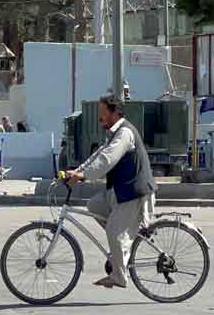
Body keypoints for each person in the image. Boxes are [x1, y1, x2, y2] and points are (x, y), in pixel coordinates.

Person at [66, 95, 157, 289]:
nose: (100, 118)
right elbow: (97, 155)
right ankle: (122, 246)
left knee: (115, 233)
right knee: (94, 205)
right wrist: (77, 171)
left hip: (133, 192)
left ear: (115, 113)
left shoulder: (124, 133)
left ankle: (119, 276)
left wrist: (84, 176)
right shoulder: (113, 134)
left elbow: (107, 159)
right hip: (118, 192)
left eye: (103, 114)